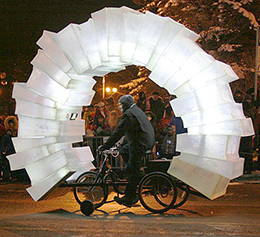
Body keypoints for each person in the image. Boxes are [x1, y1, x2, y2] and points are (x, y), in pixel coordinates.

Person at [98, 95, 155, 207]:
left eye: (121, 105)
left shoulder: (128, 114)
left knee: (131, 168)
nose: (119, 107)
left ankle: (129, 197)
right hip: (144, 141)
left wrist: (105, 146)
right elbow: (130, 131)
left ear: (125, 105)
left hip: (139, 144)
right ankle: (137, 173)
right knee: (123, 150)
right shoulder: (136, 111)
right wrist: (120, 145)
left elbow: (119, 131)